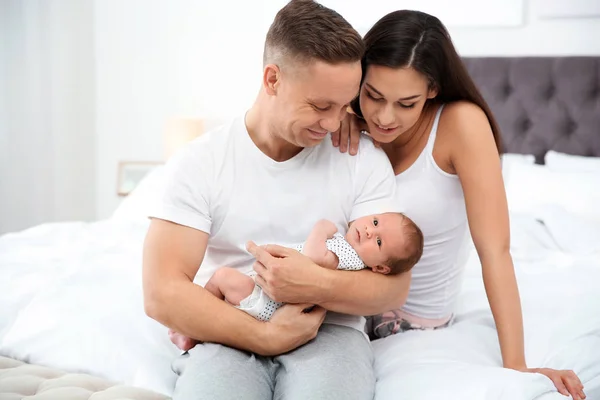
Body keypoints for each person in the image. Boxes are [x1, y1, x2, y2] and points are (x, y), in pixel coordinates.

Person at [142, 1, 408, 399]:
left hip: (330, 329)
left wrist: (315, 283)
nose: (334, 124)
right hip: (227, 322)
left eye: (344, 106)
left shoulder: (361, 160)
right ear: (272, 79)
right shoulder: (202, 162)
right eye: (320, 106)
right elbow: (161, 290)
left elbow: (392, 289)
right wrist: (265, 336)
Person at [325, 9, 586, 400]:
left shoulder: (461, 125)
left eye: (406, 103)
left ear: (432, 89)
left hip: (410, 323)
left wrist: (516, 364)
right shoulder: (346, 120)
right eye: (373, 95)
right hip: (342, 298)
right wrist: (338, 111)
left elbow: (494, 250)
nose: (384, 116)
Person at [168, 213, 424, 351]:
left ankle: (191, 330)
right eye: (375, 222)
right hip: (270, 298)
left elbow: (313, 258)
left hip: (269, 302)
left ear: (379, 267)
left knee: (222, 277)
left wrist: (321, 229)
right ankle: (197, 329)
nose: (370, 231)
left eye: (378, 241)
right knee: (225, 290)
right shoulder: (350, 252)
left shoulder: (350, 257)